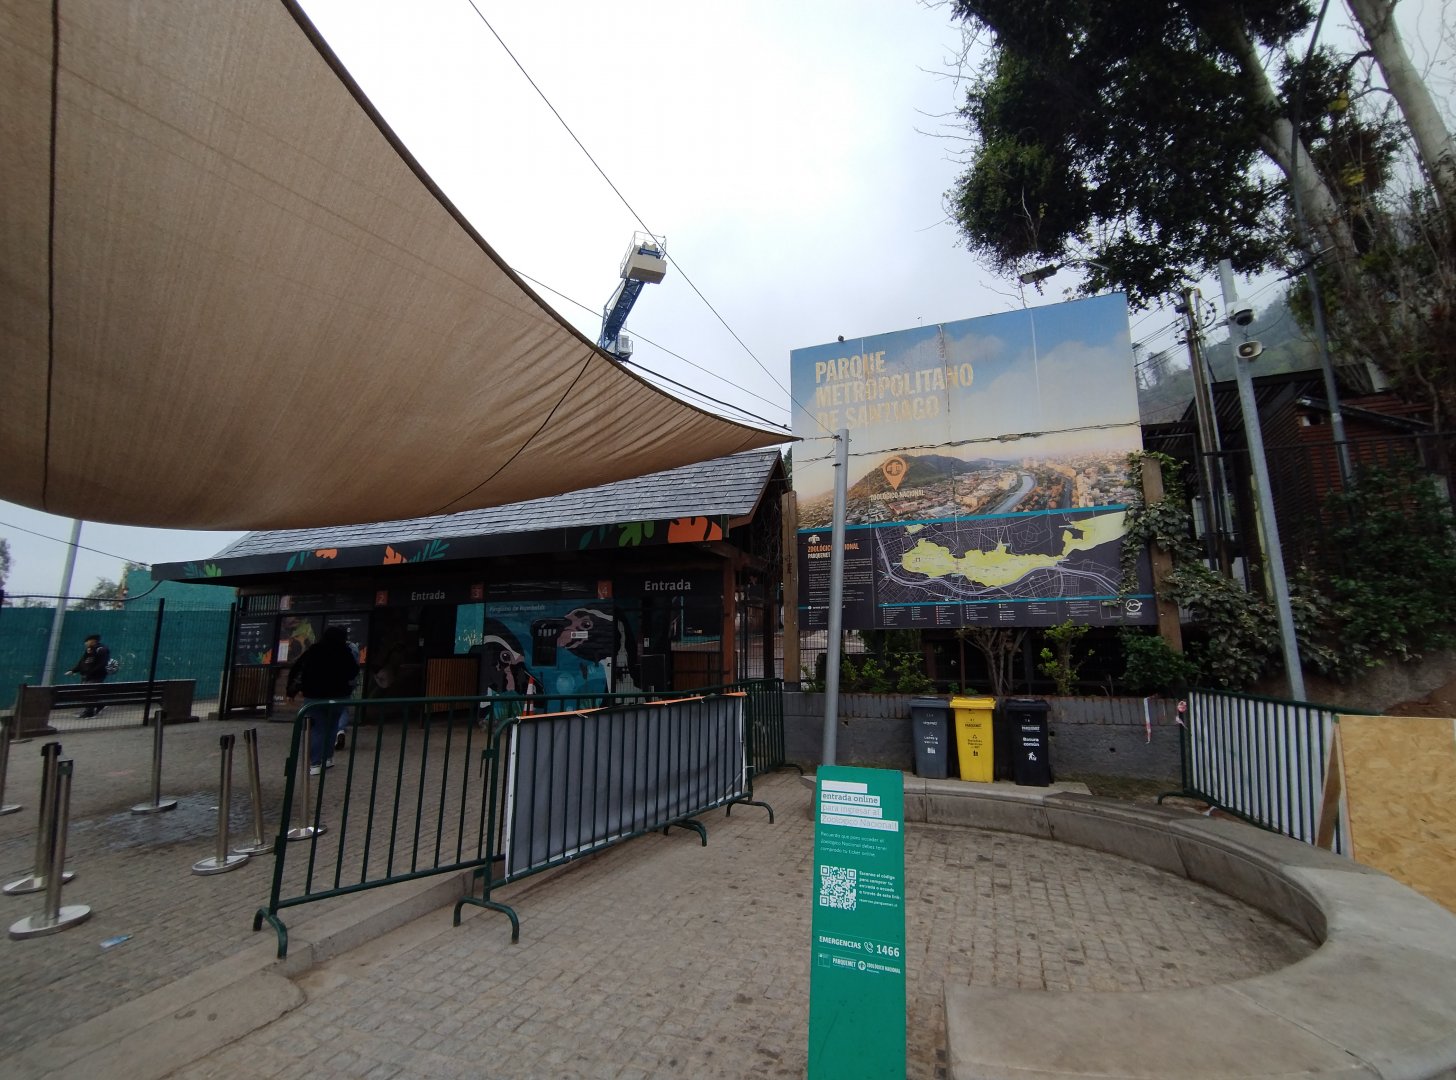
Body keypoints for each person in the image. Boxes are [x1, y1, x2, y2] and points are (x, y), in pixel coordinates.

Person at [286, 625, 359, 775]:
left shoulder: (314, 650)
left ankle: (315, 763)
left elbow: (298, 669)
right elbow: (353, 671)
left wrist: (292, 690)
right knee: (332, 726)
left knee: (316, 728)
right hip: (339, 695)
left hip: (315, 696)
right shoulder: (344, 652)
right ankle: (328, 758)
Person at [66, 633, 111, 718]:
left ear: (93, 641)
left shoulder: (101, 649)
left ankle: (88, 712)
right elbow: (82, 662)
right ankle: (100, 705)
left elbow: (102, 663)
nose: (85, 643)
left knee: (88, 692)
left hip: (96, 675)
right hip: (87, 675)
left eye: (87, 641)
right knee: (84, 693)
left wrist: (91, 672)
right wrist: (73, 670)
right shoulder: (89, 650)